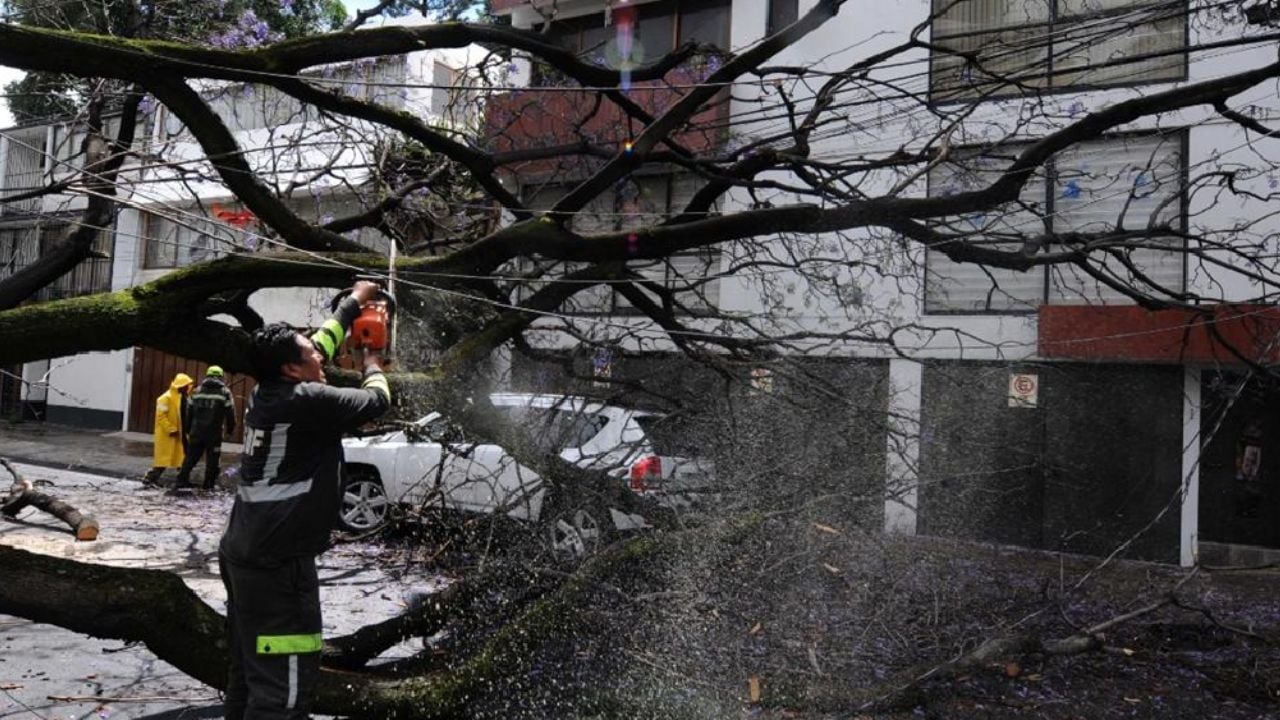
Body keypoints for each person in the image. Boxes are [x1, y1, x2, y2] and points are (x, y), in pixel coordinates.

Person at [218, 280, 390, 720]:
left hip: (244, 551)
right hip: (279, 564)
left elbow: (321, 341)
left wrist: (355, 301)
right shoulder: (306, 399)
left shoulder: (267, 389)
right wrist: (373, 360)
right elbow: (376, 400)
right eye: (311, 355)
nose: (321, 354)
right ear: (293, 370)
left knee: (249, 672)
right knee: (284, 689)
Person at [171, 365, 237, 494]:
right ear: (221, 377)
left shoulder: (196, 391)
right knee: (212, 461)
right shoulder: (225, 392)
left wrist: (189, 430)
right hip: (214, 434)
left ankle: (181, 480)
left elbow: (188, 413)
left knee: (190, 458)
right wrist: (230, 430)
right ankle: (208, 485)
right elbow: (231, 414)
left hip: (196, 432)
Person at [142, 373, 194, 486]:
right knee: (164, 459)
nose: (188, 388)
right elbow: (161, 416)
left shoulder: (183, 398)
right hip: (169, 435)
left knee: (183, 458)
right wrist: (170, 429)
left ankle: (183, 480)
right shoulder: (165, 398)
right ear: (180, 386)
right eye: (186, 385)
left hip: (181, 434)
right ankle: (150, 478)